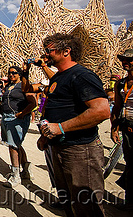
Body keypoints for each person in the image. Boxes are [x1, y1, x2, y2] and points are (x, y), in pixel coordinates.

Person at [33, 33, 109, 216]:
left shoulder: (81, 75)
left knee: (86, 207)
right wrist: (46, 137)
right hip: (60, 148)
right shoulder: (59, 77)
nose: (45, 55)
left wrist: (60, 128)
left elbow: (101, 110)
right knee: (68, 202)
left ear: (66, 51)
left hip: (81, 151)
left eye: (49, 51)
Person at [0, 65, 35, 187]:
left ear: (20, 74)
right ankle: (25, 170)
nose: (11, 75)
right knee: (16, 144)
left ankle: (16, 176)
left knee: (13, 146)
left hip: (17, 118)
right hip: (6, 117)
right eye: (9, 73)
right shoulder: (9, 86)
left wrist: (22, 114)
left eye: (14, 73)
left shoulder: (24, 86)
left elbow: (33, 103)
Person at [110, 48, 133, 209]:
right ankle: (129, 201)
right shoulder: (121, 84)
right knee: (130, 164)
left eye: (129, 59)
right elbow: (117, 107)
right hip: (128, 130)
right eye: (123, 59)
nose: (125, 62)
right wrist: (114, 127)